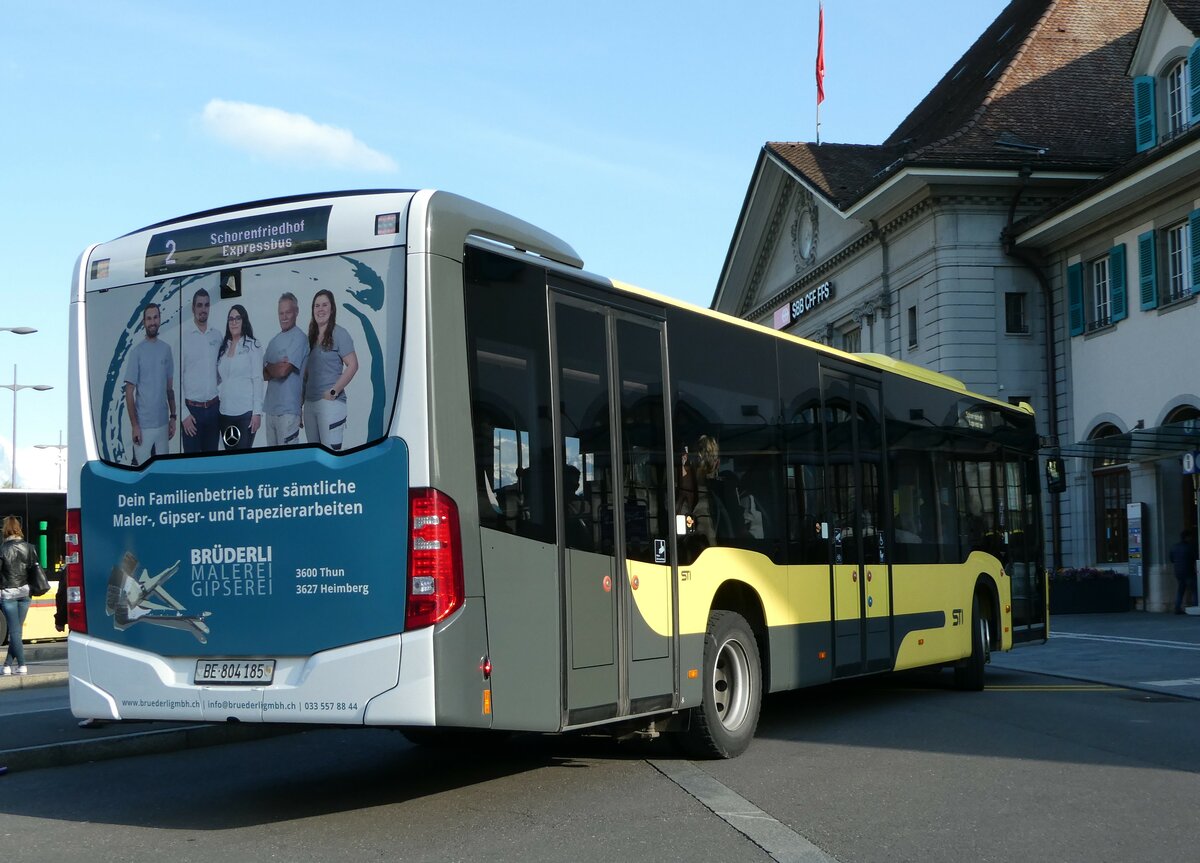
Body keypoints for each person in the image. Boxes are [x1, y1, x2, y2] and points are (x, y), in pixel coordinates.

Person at [302, 289, 359, 451]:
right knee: (314, 457)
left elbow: (353, 365)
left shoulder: (339, 333)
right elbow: (306, 375)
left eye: (324, 305)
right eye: (316, 306)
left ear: (332, 308)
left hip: (330, 405)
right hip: (310, 405)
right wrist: (299, 406)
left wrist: (333, 392)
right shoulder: (310, 338)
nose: (320, 309)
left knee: (331, 455)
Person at [124, 302, 176, 464]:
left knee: (163, 475)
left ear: (159, 319)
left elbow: (169, 389)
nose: (152, 322)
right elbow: (129, 392)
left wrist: (173, 417)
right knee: (142, 474)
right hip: (143, 427)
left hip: (162, 425)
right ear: (144, 322)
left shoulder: (166, 350)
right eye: (149, 319)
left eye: (155, 317)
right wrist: (134, 425)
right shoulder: (136, 353)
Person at [1, 516, 48, 676]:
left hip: (8, 593)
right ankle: (7, 665)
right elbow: (34, 570)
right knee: (17, 631)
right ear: (18, 528)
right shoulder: (29, 547)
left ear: (5, 529)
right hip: (26, 593)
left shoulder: (2, 549)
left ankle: (22, 665)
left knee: (14, 632)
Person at [262, 292, 310, 447]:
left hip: (288, 412)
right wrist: (273, 366)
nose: (283, 317)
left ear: (296, 312)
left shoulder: (299, 338)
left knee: (288, 460)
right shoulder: (274, 340)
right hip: (270, 410)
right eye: (280, 313)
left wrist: (270, 365)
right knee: (273, 462)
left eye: (287, 312)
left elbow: (283, 372)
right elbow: (263, 374)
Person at [180, 287, 223, 453]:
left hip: (213, 409)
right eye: (199, 305)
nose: (203, 309)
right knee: (192, 465)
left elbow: (221, 371)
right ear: (193, 308)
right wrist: (184, 414)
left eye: (206, 305)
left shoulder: (217, 336)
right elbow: (177, 380)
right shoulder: (184, 338)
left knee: (212, 462)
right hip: (192, 412)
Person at [216, 304, 264, 450]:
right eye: (231, 319)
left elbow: (258, 379)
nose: (234, 322)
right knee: (230, 460)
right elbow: (220, 378)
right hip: (225, 413)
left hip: (245, 414)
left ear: (244, 321)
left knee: (243, 459)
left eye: (238, 318)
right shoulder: (224, 347)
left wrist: (257, 413)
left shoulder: (253, 345)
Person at [1170, 528, 1199, 614]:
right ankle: (1195, 606)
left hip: (1178, 572)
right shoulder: (1190, 547)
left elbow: (1171, 559)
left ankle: (1177, 608)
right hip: (1189, 571)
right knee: (1195, 590)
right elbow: (1196, 558)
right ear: (1187, 537)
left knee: (1180, 590)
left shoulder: (1174, 547)